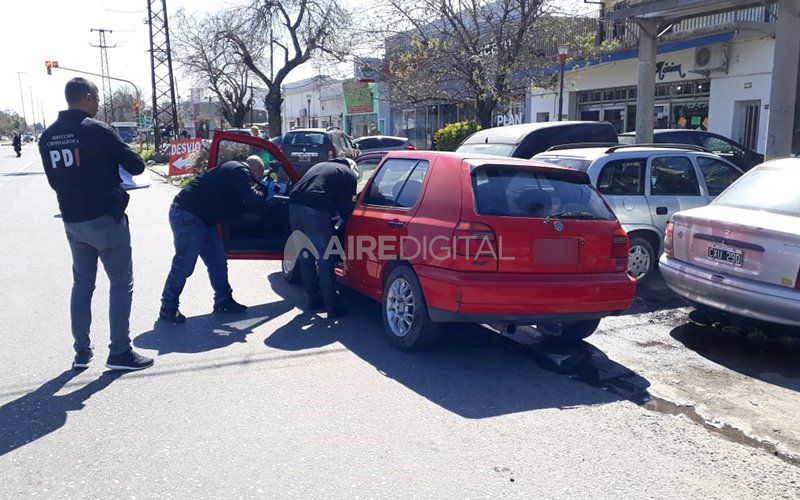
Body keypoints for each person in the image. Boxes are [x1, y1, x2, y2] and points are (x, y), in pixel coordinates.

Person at [38, 77, 153, 371]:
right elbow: (137, 166)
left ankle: (81, 352)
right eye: (97, 97)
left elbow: (54, 182)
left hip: (73, 221)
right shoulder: (99, 131)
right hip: (106, 220)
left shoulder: (47, 137)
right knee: (120, 283)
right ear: (87, 97)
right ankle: (119, 352)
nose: (99, 102)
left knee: (82, 285)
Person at [159, 155, 269, 323]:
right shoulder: (239, 170)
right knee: (184, 264)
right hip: (188, 215)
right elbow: (253, 198)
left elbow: (237, 208)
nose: (255, 181)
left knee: (217, 260)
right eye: (258, 178)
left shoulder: (234, 172)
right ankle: (168, 307)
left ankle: (223, 300)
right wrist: (266, 189)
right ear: (256, 170)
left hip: (202, 218)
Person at [288, 159, 357, 318]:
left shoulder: (320, 166)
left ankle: (313, 299)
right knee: (325, 257)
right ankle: (332, 305)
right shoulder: (349, 174)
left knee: (305, 255)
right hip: (314, 209)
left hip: (294, 205)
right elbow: (346, 209)